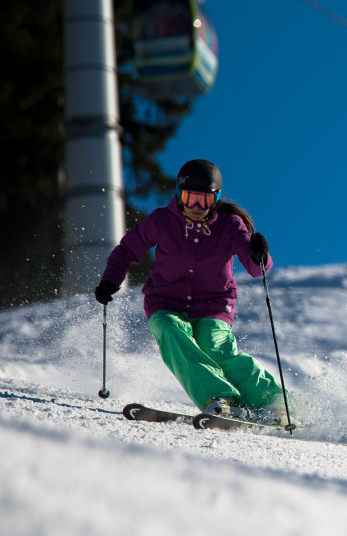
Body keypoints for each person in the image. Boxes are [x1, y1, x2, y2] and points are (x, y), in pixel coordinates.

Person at [94, 158, 284, 421]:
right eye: (189, 197)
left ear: (215, 199)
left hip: (214, 306)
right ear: (179, 195)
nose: (195, 206)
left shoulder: (229, 225)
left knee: (217, 350)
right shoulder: (162, 220)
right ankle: (221, 398)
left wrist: (259, 254)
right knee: (171, 332)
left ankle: (275, 402)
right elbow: (126, 250)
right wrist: (110, 281)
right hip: (165, 303)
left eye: (204, 200)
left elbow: (255, 268)